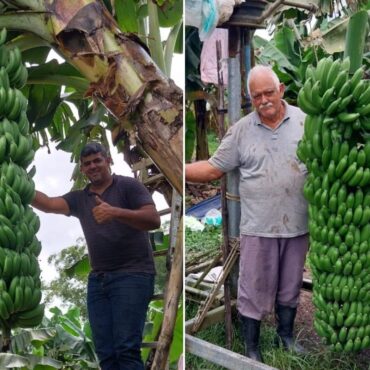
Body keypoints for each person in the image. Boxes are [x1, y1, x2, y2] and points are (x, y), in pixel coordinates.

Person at [186, 65, 308, 362]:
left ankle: (286, 337)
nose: (264, 100)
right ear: (250, 98)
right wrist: (178, 168)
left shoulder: (306, 122)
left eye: (269, 93)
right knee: (253, 288)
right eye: (257, 96)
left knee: (291, 285)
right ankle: (252, 348)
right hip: (257, 226)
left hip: (297, 224)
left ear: (281, 90)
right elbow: (213, 167)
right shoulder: (241, 131)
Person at [32, 142, 161, 370]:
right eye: (87, 164)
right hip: (98, 281)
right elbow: (49, 204)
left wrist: (114, 212)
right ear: (82, 169)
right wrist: (18, 181)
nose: (93, 167)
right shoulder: (80, 199)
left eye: (97, 161)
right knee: (106, 353)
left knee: (126, 349)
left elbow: (153, 219)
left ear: (108, 161)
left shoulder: (129, 187)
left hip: (133, 275)